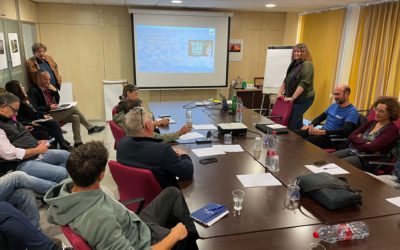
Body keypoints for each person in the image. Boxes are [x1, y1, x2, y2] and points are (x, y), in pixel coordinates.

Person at [45, 141, 198, 250]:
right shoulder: (100, 219)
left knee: (172, 192)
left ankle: (194, 235)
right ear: (102, 175)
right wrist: (174, 236)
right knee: (184, 235)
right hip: (144, 242)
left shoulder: (67, 190)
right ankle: (195, 240)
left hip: (134, 225)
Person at [0, 92, 69, 183]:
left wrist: (37, 142)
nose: (16, 114)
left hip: (33, 153)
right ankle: (53, 184)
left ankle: (52, 180)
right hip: (21, 162)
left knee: (66, 156)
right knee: (62, 173)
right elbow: (9, 153)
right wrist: (38, 150)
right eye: (14, 110)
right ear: (3, 108)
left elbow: (20, 137)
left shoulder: (8, 120)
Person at [117, 108, 194, 188]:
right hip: (164, 197)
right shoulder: (162, 151)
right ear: (148, 126)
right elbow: (187, 173)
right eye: (151, 121)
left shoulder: (121, 144)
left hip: (134, 192)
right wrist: (184, 155)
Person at [28, 70, 105, 147]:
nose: (48, 82)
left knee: (75, 118)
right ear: (39, 79)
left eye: (49, 79)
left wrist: (55, 91)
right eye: (46, 79)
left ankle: (78, 142)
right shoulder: (33, 91)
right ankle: (90, 128)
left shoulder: (48, 87)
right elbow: (34, 109)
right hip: (45, 116)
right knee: (73, 108)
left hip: (54, 112)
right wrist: (48, 107)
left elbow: (57, 102)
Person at [333, 96, 400, 170]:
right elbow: (351, 136)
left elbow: (371, 148)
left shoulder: (392, 130)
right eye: (376, 109)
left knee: (337, 166)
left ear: (391, 113)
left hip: (368, 159)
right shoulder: (372, 123)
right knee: (329, 158)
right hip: (353, 151)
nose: (377, 113)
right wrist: (365, 142)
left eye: (381, 111)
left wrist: (358, 140)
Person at [5, 80, 72, 150]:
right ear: (17, 89)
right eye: (21, 86)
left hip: (35, 119)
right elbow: (20, 118)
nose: (23, 87)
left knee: (53, 123)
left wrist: (42, 115)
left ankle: (61, 144)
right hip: (30, 123)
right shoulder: (18, 103)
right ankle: (58, 146)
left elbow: (35, 110)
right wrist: (30, 122)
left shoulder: (25, 98)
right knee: (47, 130)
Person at [293, 84, 359, 149]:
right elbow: (320, 118)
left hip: (331, 138)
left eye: (338, 94)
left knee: (303, 142)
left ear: (347, 95)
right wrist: (311, 125)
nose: (335, 97)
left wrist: (323, 132)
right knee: (294, 134)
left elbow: (345, 131)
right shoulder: (334, 105)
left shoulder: (352, 112)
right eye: (334, 94)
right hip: (322, 132)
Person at [114, 98, 192, 143]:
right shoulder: (144, 134)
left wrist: (157, 122)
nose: (150, 120)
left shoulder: (123, 120)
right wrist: (179, 132)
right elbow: (161, 138)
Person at [277, 43, 315, 130]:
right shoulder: (294, 64)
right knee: (297, 121)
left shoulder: (307, 64)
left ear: (304, 52)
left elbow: (304, 83)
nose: (296, 53)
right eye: (294, 52)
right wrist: (279, 93)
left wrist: (293, 98)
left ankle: (290, 141)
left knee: (291, 121)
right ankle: (299, 139)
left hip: (304, 99)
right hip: (293, 98)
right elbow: (286, 80)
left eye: (298, 51)